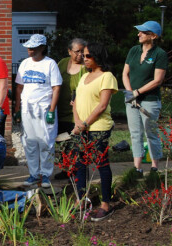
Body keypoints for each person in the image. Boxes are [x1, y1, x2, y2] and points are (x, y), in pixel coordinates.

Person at [72, 42, 118, 221]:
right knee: (80, 164)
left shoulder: (107, 77)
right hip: (80, 127)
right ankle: (81, 199)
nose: (85, 58)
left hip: (98, 127)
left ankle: (106, 203)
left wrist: (84, 124)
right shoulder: (84, 76)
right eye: (84, 55)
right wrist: (77, 122)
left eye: (88, 56)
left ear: (98, 57)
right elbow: (75, 101)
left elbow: (102, 105)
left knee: (101, 164)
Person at [15, 34, 62, 188]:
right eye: (29, 47)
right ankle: (34, 174)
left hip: (44, 109)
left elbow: (56, 88)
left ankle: (46, 174)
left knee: (46, 141)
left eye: (33, 48)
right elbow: (19, 87)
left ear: (42, 48)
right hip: (28, 109)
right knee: (30, 142)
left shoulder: (50, 64)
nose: (29, 50)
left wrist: (52, 109)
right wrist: (17, 108)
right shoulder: (24, 64)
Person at [122, 21, 168, 175]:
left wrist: (137, 92)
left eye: (143, 32)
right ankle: (137, 168)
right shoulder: (134, 50)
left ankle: (155, 167)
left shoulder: (160, 54)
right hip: (131, 99)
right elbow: (125, 73)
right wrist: (130, 93)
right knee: (135, 133)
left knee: (151, 132)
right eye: (139, 31)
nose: (138, 34)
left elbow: (157, 80)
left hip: (150, 101)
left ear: (153, 36)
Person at [54, 38, 88, 180]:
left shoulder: (86, 67)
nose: (80, 55)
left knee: (77, 144)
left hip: (77, 113)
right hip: (60, 110)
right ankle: (66, 169)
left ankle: (79, 172)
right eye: (77, 51)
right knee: (63, 141)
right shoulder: (62, 63)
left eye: (82, 51)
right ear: (69, 51)